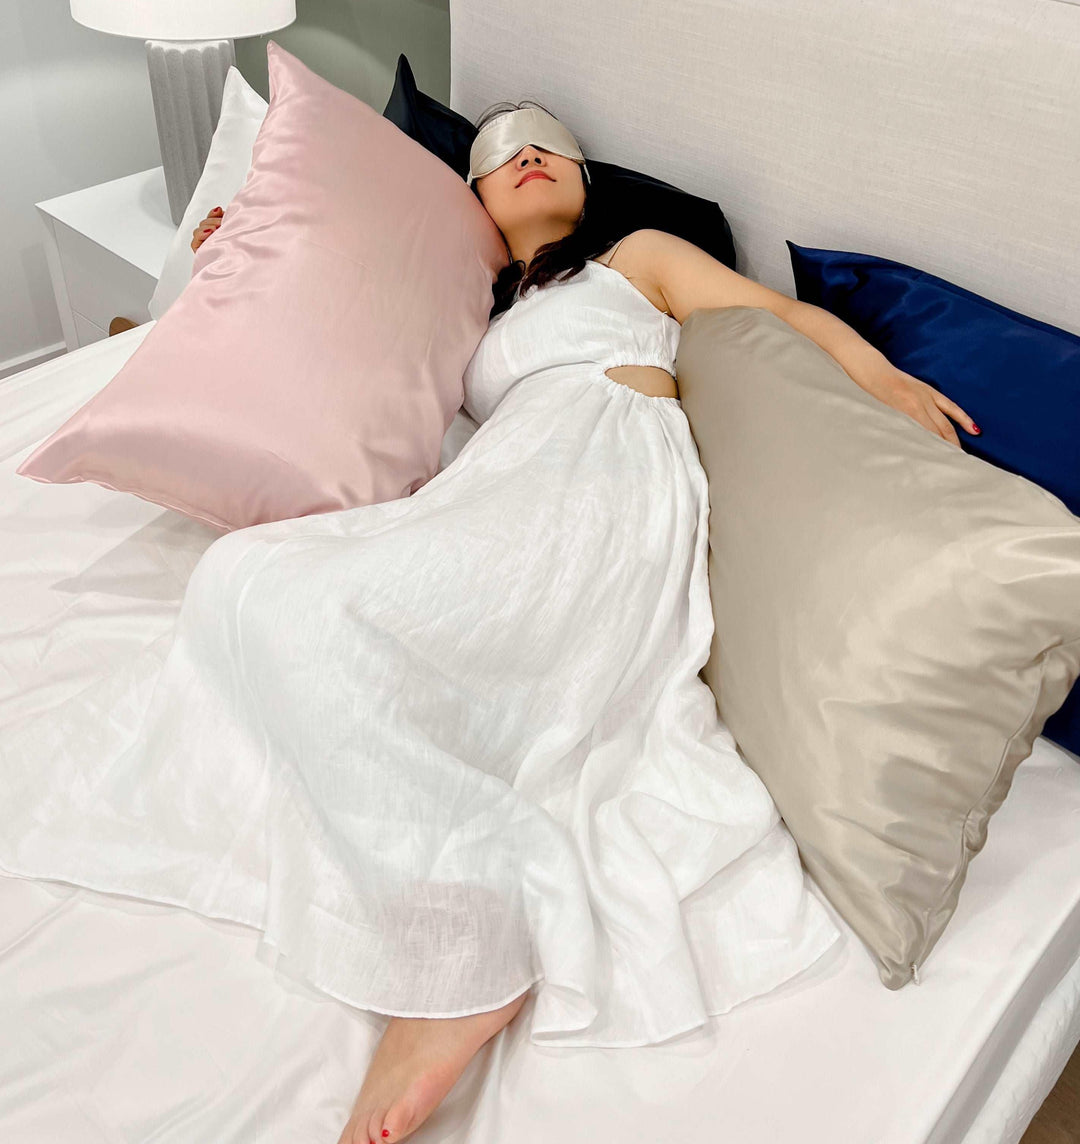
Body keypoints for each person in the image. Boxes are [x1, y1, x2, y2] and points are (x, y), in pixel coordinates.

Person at [10, 103, 978, 1144]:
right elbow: (337, 332)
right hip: (494, 494)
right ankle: (452, 882)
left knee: (317, 620)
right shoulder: (474, 314)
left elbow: (775, 318)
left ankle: (466, 947)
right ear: (471, 199)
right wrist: (228, 244)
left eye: (546, 148)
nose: (522, 155)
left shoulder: (636, 261)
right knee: (240, 581)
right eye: (496, 155)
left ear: (582, 183)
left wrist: (876, 373)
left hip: (597, 478)